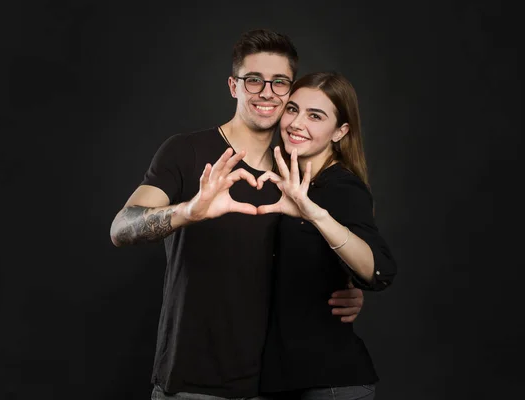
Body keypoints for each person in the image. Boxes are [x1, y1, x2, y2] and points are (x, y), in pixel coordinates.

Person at [109, 30, 365, 400]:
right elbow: (121, 227)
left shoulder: (299, 171)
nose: (266, 92)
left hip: (278, 384)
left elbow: (326, 251)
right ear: (234, 86)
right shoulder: (187, 152)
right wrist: (189, 211)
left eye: (279, 83)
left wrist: (346, 290)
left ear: (289, 91)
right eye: (253, 80)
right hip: (194, 382)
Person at [256, 72, 398, 400]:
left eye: (315, 116)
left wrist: (314, 214)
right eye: (292, 109)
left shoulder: (341, 188)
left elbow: (379, 271)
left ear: (340, 131)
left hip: (328, 383)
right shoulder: (274, 177)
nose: (296, 123)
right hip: (273, 379)